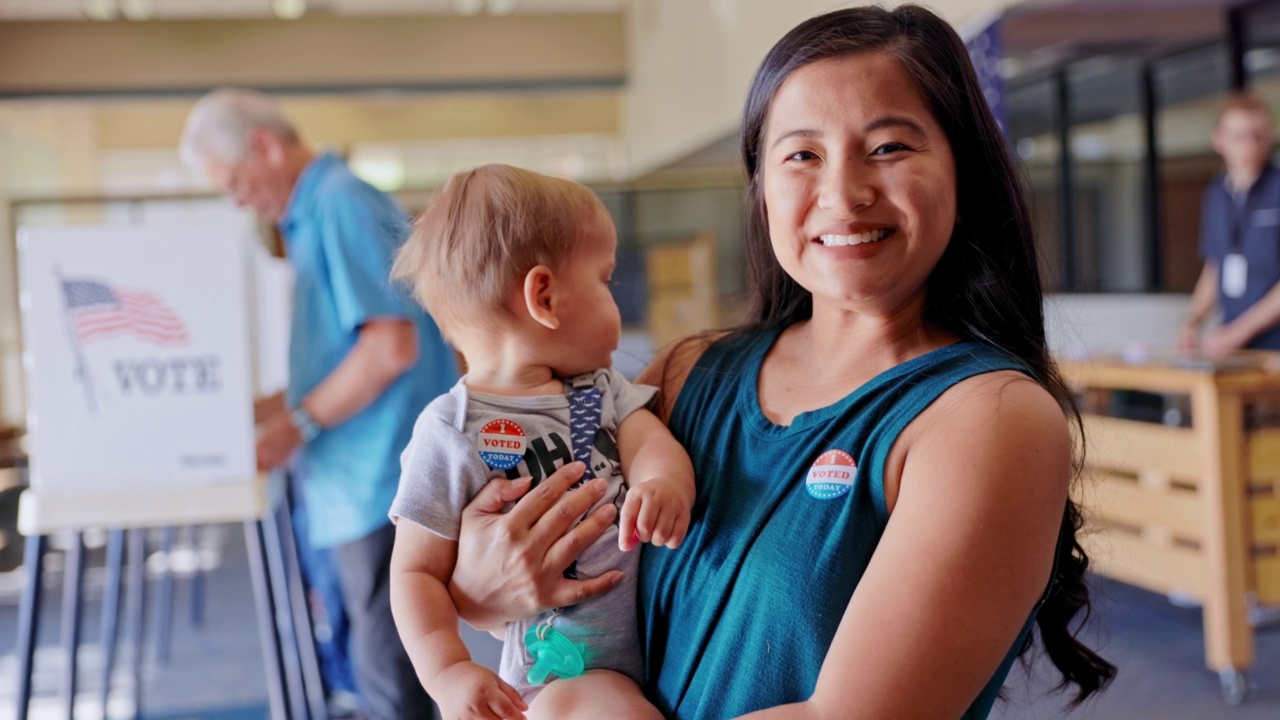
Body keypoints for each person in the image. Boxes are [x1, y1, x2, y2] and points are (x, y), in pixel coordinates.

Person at [441, 6, 1116, 719]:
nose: (844, 193)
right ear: (761, 185)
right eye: (801, 154)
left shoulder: (988, 419)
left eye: (888, 147)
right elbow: (549, 607)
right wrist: (476, 585)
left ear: (962, 172)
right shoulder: (683, 377)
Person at [180, 87, 457, 720]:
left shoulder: (340, 205)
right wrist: (253, 411)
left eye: (233, 182)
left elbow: (390, 348)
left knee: (392, 677)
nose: (237, 200)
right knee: (369, 665)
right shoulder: (311, 217)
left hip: (379, 480)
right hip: (351, 481)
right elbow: (340, 362)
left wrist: (296, 425)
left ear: (264, 145)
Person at [387, 164, 695, 720]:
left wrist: (660, 482)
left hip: (656, 642)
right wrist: (449, 672)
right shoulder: (452, 432)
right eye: (605, 281)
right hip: (568, 669)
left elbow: (648, 440)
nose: (616, 301)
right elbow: (414, 573)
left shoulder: (597, 390)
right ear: (545, 298)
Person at [1179, 92, 1280, 359]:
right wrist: (1193, 321)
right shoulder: (1216, 194)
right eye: (1240, 136)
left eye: (1260, 135)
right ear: (1219, 140)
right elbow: (1216, 266)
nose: (1251, 144)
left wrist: (1239, 331)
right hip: (1235, 344)